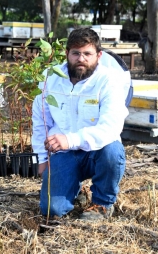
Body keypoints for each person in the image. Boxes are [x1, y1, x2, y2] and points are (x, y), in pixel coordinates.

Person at [32, 28, 129, 221]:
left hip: (97, 152)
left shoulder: (109, 81)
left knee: (113, 150)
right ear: (67, 53)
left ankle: (102, 203)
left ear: (98, 56)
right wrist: (41, 160)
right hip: (64, 153)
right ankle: (77, 189)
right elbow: (40, 122)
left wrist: (71, 139)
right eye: (76, 53)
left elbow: (110, 128)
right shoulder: (50, 79)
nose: (81, 58)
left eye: (87, 54)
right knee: (52, 210)